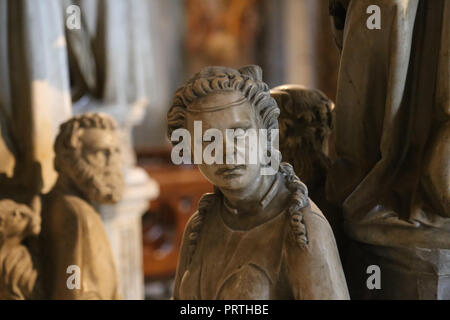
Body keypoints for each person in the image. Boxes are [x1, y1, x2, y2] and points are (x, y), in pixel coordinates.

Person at [168, 65, 349, 300]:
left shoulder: (300, 229)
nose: (225, 152)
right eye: (208, 139)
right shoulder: (200, 226)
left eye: (238, 133)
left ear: (266, 134)